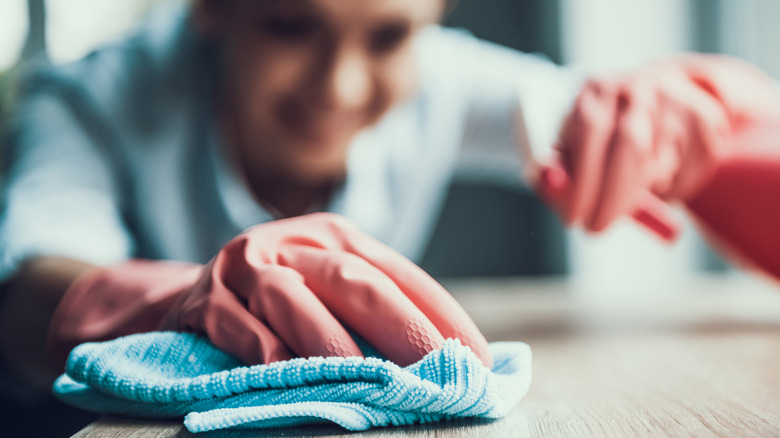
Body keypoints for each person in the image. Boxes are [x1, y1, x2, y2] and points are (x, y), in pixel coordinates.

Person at [1, 0, 780, 402]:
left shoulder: (439, 77)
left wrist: (693, 111)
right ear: (215, 8)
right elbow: (25, 294)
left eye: (389, 39)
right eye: (288, 25)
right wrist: (187, 299)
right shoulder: (91, 99)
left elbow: (648, 131)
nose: (339, 85)